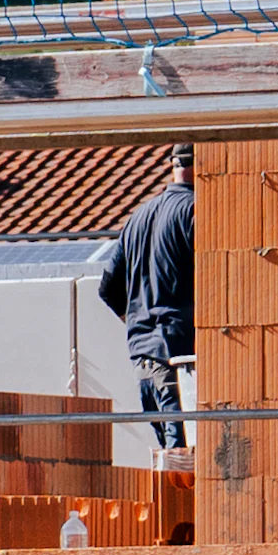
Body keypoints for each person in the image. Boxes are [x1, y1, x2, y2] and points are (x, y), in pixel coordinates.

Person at [91, 160, 197, 448]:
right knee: (187, 460)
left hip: (144, 360)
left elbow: (108, 289)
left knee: (171, 461)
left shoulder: (138, 216)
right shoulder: (196, 211)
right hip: (179, 361)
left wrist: (139, 323)